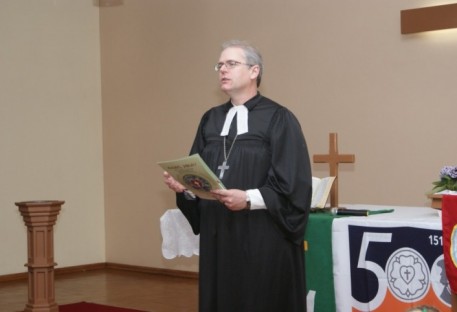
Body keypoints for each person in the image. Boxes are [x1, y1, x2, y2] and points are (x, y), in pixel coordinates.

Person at [163, 40, 312, 312]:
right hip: (219, 234)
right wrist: (184, 187)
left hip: (262, 234)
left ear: (254, 71)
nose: (223, 69)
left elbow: (294, 184)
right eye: (220, 64)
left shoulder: (278, 118)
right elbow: (198, 172)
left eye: (231, 64)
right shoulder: (210, 119)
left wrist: (248, 199)